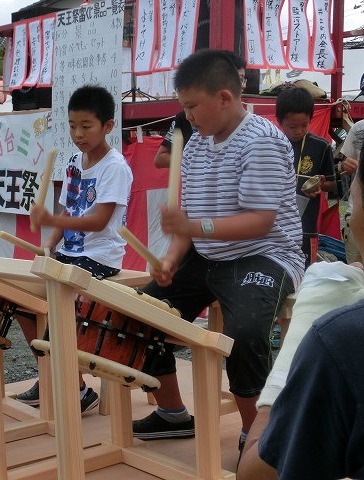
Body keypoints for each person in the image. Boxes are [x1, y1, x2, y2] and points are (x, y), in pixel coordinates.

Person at [132, 49, 304, 454]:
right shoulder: (194, 146)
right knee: (141, 315)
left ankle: (258, 434)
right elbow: (187, 222)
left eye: (192, 106)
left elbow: (260, 220)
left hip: (265, 253)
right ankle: (173, 413)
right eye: (183, 107)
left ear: (224, 98)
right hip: (209, 253)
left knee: (243, 332)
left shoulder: (261, 141)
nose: (187, 116)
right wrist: (171, 258)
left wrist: (192, 228)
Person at [237, 163, 364, 480]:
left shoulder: (341, 339)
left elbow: (254, 473)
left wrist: (308, 323)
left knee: (246, 329)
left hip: (274, 263)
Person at [18, 84, 134, 414]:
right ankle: (57, 376)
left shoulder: (115, 167)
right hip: (69, 255)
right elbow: (70, 210)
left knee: (58, 307)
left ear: (108, 126)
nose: (78, 133)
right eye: (72, 125)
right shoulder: (74, 161)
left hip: (99, 258)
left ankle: (72, 383)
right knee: (22, 302)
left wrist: (50, 219)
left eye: (86, 126)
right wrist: (48, 246)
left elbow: (98, 221)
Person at [275, 87, 336, 268]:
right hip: (275, 226)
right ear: (280, 121)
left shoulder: (321, 146)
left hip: (306, 227)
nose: (298, 131)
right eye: (292, 126)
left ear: (311, 118)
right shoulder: (272, 144)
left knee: (305, 271)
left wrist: (321, 186)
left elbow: (332, 184)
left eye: (304, 124)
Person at [153, 51, 247, 168]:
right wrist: (193, 160)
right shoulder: (193, 144)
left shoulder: (258, 141)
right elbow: (160, 158)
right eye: (239, 79)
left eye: (243, 79)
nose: (242, 85)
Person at [339, 118, 364, 264]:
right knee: (357, 278)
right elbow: (343, 166)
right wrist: (344, 166)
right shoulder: (359, 128)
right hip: (357, 215)